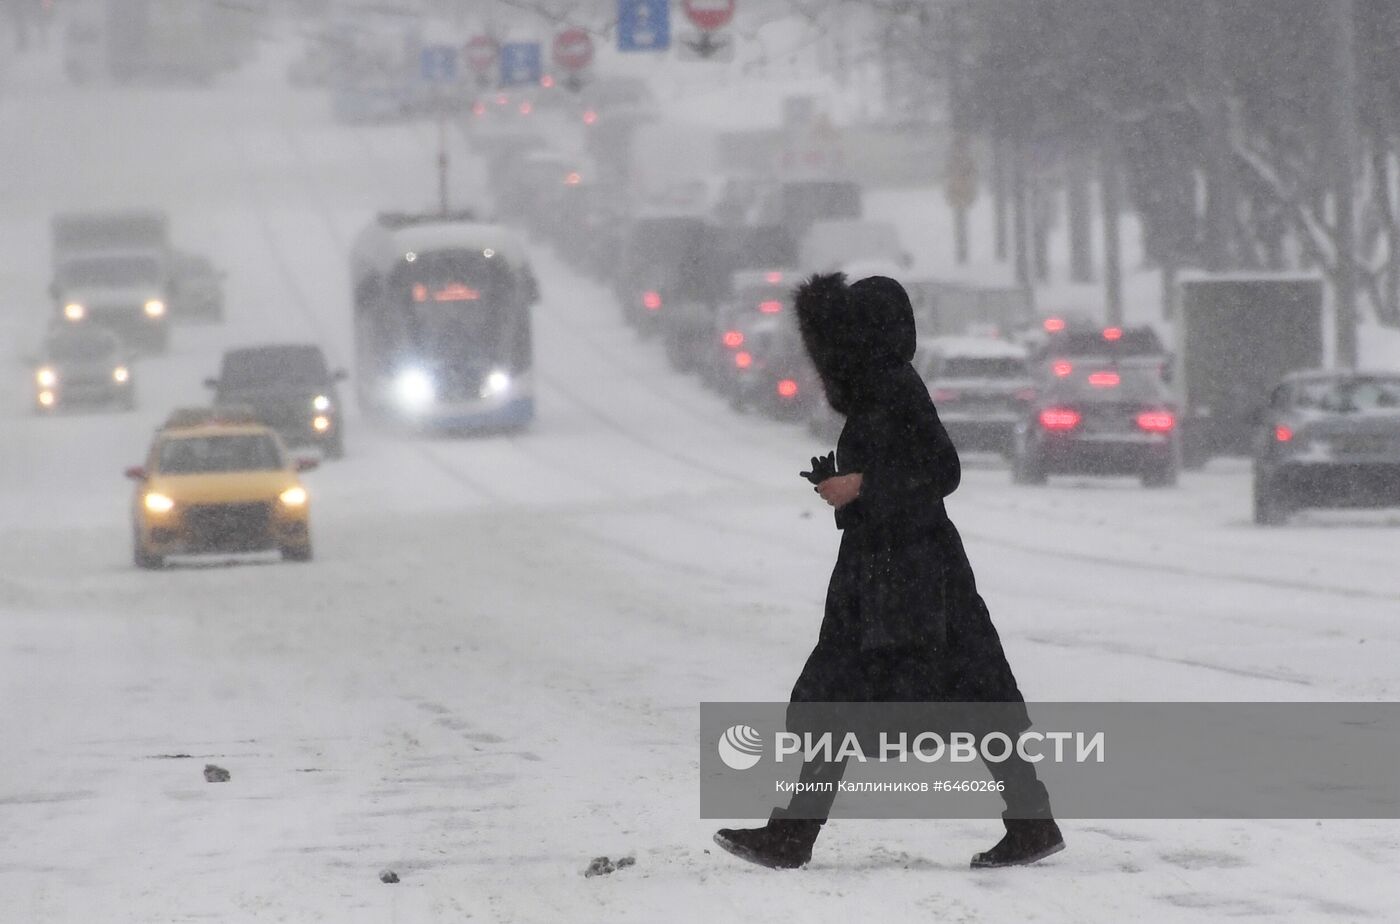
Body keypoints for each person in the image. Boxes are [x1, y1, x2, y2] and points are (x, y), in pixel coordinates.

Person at [713, 272, 1063, 870]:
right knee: (968, 695)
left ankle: (793, 835)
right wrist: (848, 485)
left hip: (910, 575)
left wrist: (862, 485)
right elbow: (907, 467)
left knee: (861, 696)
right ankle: (1031, 823)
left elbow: (942, 470)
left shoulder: (894, 386)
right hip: (901, 570)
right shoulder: (885, 386)